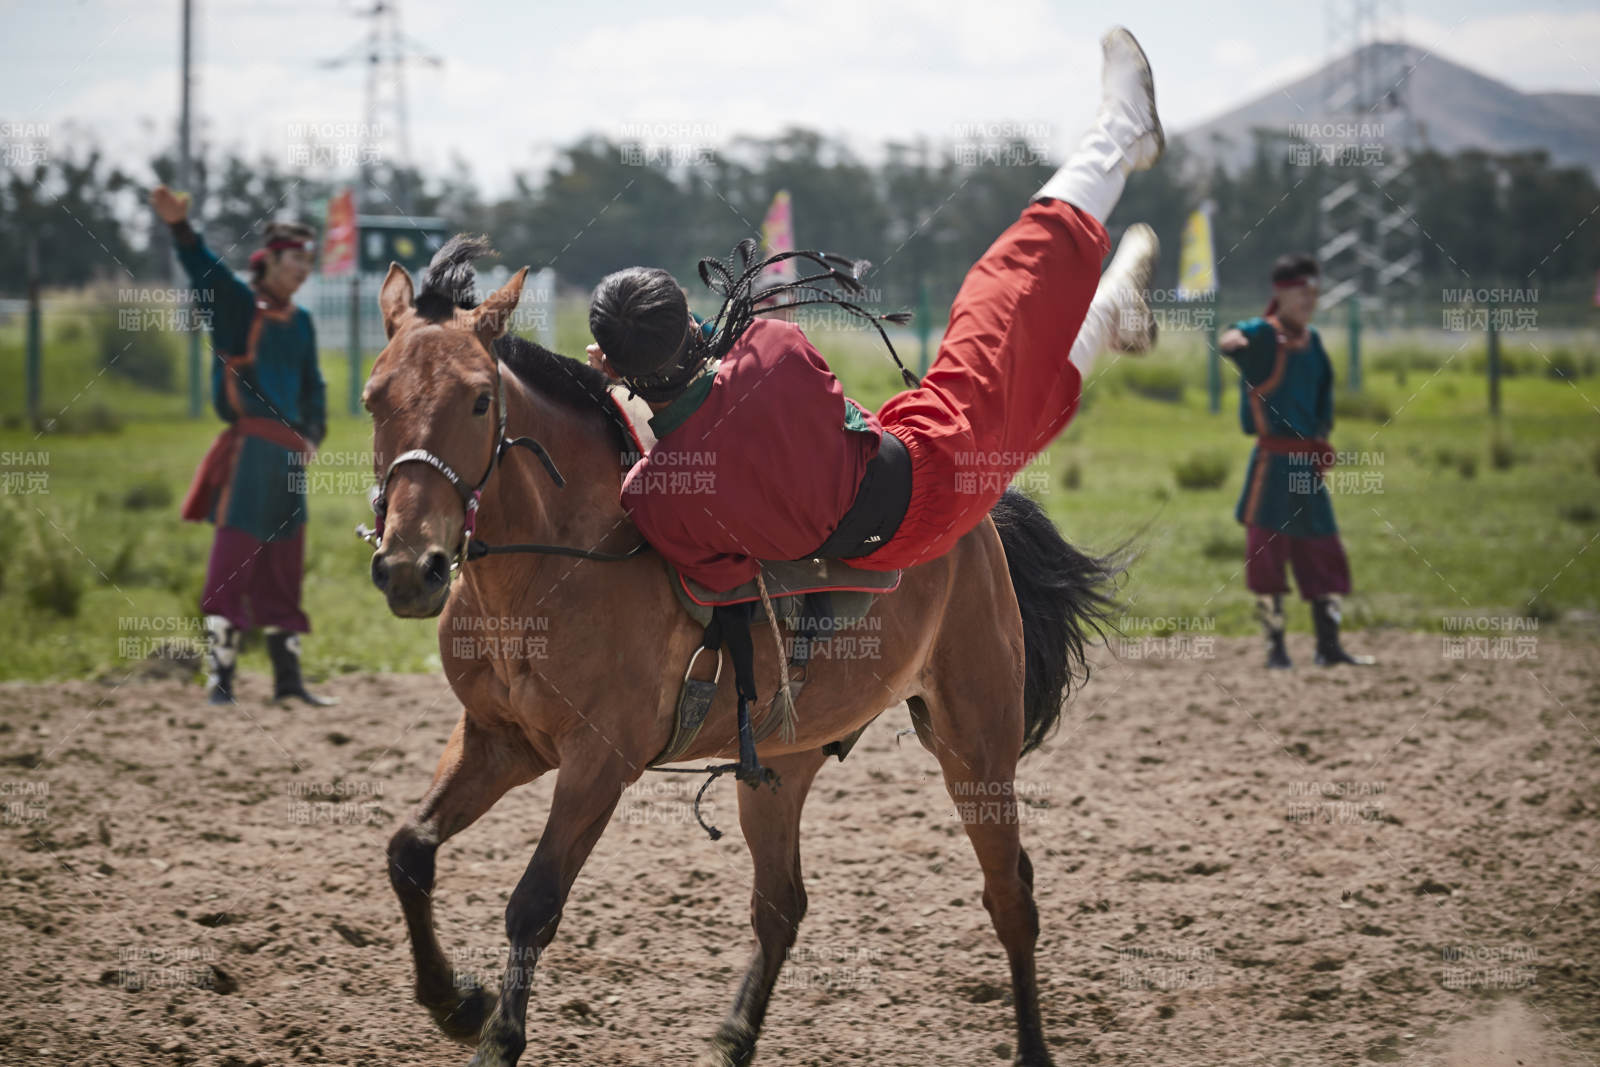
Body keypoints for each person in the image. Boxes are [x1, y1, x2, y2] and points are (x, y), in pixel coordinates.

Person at [584, 27, 1164, 593]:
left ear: (614, 363)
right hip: (932, 467)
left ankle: (1112, 316)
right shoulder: (767, 348)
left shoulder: (652, 495)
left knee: (1023, 400)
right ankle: (1121, 133)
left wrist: (630, 386)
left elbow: (728, 575)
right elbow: (737, 376)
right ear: (689, 312)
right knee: (999, 287)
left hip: (883, 549)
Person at [150, 184, 337, 705]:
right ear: (269, 261)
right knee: (232, 560)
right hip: (250, 452)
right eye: (295, 261)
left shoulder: (301, 321)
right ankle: (222, 682)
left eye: (308, 261)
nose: (303, 270)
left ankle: (288, 682)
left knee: (285, 563)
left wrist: (314, 435)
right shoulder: (235, 306)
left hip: (290, 457)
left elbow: (313, 386)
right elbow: (201, 267)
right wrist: (180, 228)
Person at [1217, 253, 1374, 668]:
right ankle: (1276, 649)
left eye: (1313, 293)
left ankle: (1329, 646)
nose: (1308, 301)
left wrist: (1321, 440)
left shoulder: (1314, 341)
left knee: (1322, 551)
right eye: (1301, 292)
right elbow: (1233, 335)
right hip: (1273, 467)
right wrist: (1233, 342)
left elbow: (1323, 397)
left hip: (1307, 469)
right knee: (1267, 557)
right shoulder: (1264, 336)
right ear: (1281, 294)